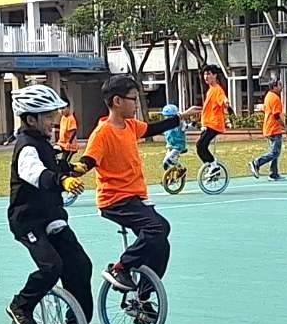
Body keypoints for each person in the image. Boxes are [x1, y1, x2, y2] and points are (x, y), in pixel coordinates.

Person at [75, 74, 197, 293]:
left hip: (134, 198)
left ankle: (143, 298)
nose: (137, 104)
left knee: (161, 243)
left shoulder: (130, 126)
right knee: (156, 227)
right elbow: (88, 160)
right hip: (114, 200)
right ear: (117, 101)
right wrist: (71, 172)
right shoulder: (102, 133)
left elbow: (152, 129)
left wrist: (180, 117)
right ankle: (120, 267)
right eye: (133, 98)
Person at [5, 84, 99, 324]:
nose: (54, 121)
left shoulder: (43, 142)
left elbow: (54, 165)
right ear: (30, 119)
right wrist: (62, 181)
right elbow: (35, 173)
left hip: (51, 214)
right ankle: (21, 306)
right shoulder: (26, 146)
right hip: (28, 221)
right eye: (48, 116)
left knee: (80, 264)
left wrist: (71, 170)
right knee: (52, 266)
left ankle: (75, 323)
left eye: (54, 115)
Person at [248, 78, 286, 181]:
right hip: (274, 128)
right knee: (275, 152)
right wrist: (284, 126)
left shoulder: (268, 96)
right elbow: (276, 115)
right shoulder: (275, 98)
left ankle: (273, 173)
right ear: (274, 86)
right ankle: (257, 162)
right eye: (280, 85)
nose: (281, 87)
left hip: (269, 127)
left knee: (274, 151)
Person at [196, 64, 232, 171]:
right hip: (208, 124)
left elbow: (223, 98)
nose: (206, 76)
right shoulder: (210, 90)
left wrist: (226, 102)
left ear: (215, 75)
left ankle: (213, 165)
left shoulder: (217, 89)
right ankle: (211, 167)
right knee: (200, 148)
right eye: (205, 74)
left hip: (214, 124)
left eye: (208, 74)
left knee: (200, 145)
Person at [160, 104, 188, 174]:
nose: (167, 118)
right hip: (170, 145)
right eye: (166, 116)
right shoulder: (165, 125)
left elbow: (185, 127)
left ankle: (181, 169)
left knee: (168, 159)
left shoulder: (180, 124)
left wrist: (192, 124)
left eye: (169, 116)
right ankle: (169, 176)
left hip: (178, 145)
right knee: (165, 163)